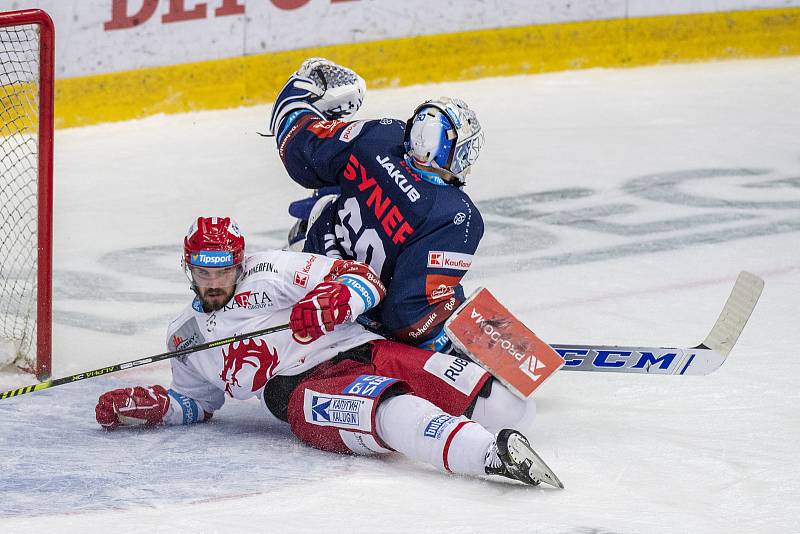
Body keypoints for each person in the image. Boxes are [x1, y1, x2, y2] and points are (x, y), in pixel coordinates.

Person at [94, 217, 561, 488]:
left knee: (513, 411)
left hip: (363, 345)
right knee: (391, 406)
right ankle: (489, 458)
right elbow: (199, 403)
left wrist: (334, 299)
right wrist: (162, 408)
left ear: (240, 262)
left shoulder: (272, 269)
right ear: (188, 267)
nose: (214, 281)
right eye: (203, 271)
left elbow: (360, 277)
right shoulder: (185, 336)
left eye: (224, 270)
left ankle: (463, 364)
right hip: (301, 390)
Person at [268, 58, 485, 353]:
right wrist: (446, 323)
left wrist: (298, 92)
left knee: (341, 169)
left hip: (313, 261)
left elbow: (300, 151)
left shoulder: (382, 137)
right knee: (437, 297)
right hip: (355, 317)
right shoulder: (454, 213)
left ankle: (299, 236)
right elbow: (406, 318)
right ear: (445, 150)